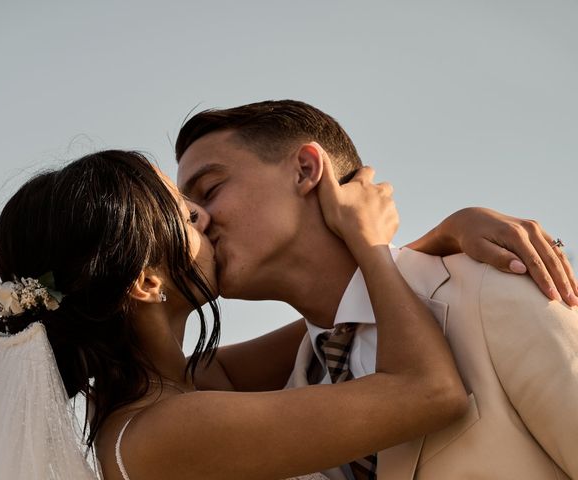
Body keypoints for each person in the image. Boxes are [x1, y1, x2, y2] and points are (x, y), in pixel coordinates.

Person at [0, 149, 471, 480]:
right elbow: (430, 392)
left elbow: (336, 313)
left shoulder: (183, 387)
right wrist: (369, 240)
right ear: (147, 283)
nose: (207, 217)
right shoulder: (164, 431)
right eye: (188, 216)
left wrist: (436, 244)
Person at [175, 100, 578, 480]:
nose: (195, 222)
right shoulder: (292, 395)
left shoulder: (491, 290)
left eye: (209, 190)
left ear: (304, 169)